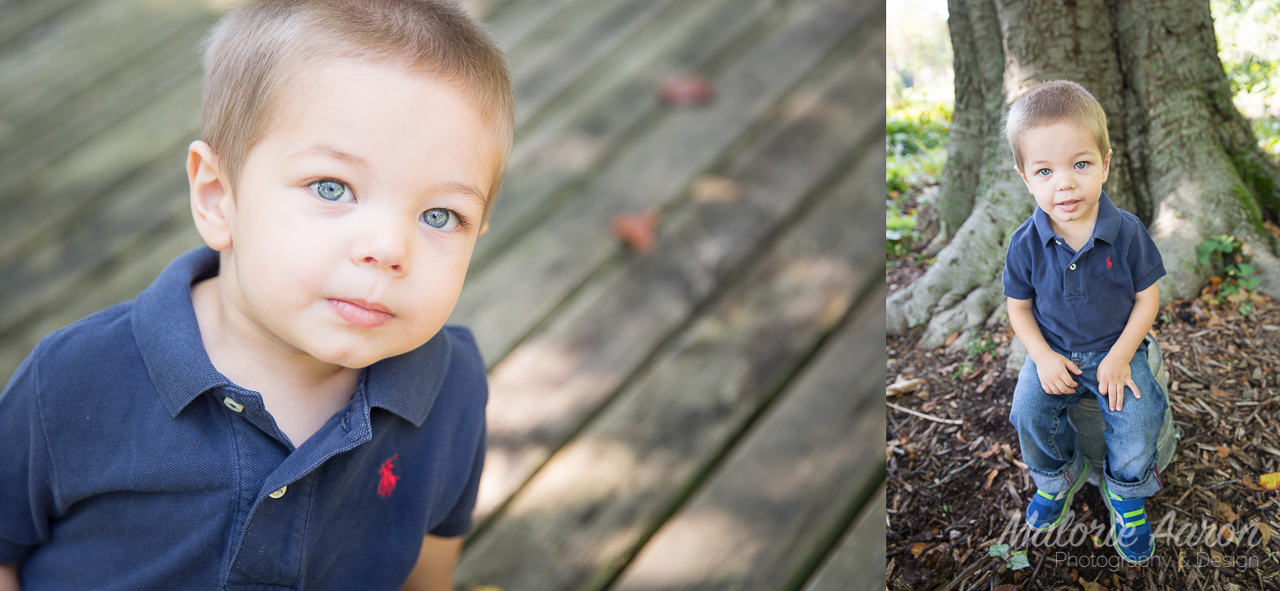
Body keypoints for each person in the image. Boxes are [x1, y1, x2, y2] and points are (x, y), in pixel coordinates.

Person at [0, 0, 514, 588]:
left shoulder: (450, 388)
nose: (389, 246)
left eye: (442, 216)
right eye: (332, 186)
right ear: (219, 197)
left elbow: (427, 570)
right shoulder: (73, 381)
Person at [1001, 80, 1167, 564]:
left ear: (1105, 164)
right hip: (1054, 353)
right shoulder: (1024, 243)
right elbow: (1019, 308)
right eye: (1045, 171)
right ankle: (1059, 478)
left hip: (1117, 349)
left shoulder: (1128, 232)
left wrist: (1119, 357)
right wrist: (1043, 357)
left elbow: (1147, 298)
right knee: (1029, 409)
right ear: (1025, 178)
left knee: (1139, 415)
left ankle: (1126, 494)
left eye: (1080, 164)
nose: (1065, 183)